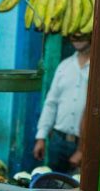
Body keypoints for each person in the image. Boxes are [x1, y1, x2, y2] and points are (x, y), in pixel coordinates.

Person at [33, 33, 91, 174]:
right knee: (54, 186)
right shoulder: (64, 66)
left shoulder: (99, 69)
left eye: (82, 32)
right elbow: (51, 103)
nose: (77, 36)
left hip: (85, 144)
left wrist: (83, 149)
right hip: (58, 141)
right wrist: (41, 137)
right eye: (73, 33)